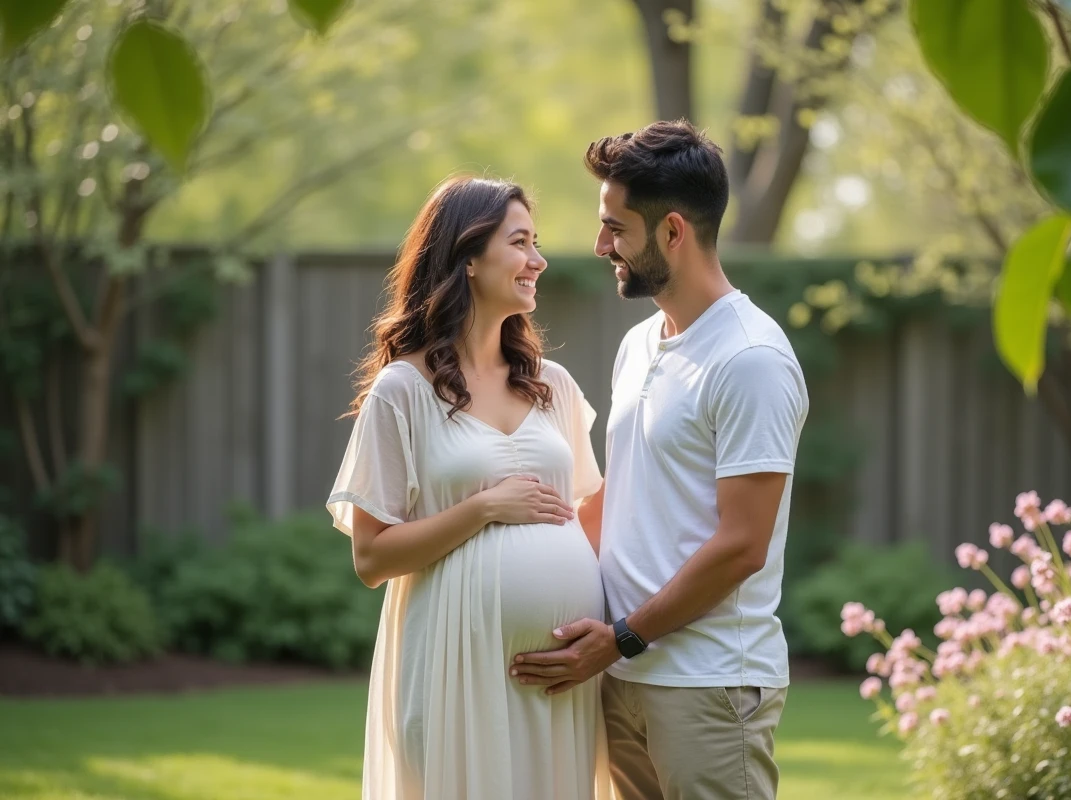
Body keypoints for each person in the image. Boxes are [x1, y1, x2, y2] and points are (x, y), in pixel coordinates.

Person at [509, 120, 809, 800]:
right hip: (625, 678)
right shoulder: (641, 345)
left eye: (617, 228)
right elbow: (625, 495)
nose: (600, 245)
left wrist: (621, 639)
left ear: (672, 231)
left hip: (708, 683)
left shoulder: (751, 360)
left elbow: (742, 546)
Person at [327, 176, 613, 800]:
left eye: (536, 243)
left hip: (562, 679)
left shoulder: (553, 385)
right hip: (457, 665)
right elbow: (372, 558)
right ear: (468, 257)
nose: (538, 260)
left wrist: (601, 625)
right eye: (520, 243)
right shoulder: (403, 390)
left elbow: (590, 511)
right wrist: (484, 508)